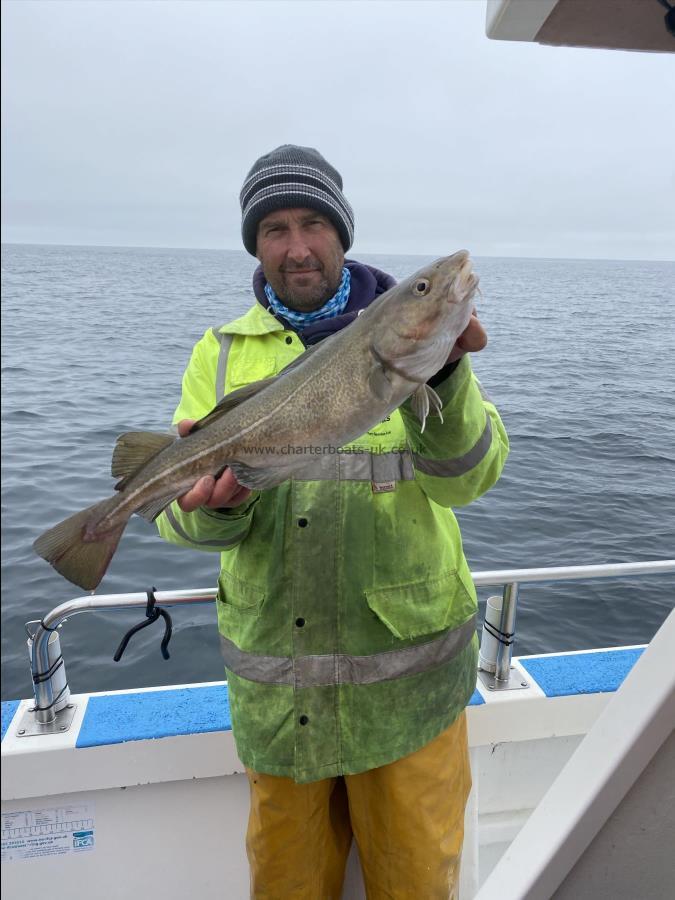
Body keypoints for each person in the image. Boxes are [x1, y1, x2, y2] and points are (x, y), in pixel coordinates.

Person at [157, 144, 509, 899]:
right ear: (255, 244)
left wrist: (444, 369)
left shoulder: (415, 347)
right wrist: (217, 509)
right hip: (281, 705)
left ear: (341, 234)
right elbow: (180, 526)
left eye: (312, 223)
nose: (296, 246)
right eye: (274, 229)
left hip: (410, 697)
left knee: (417, 886)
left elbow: (470, 478)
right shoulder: (217, 355)